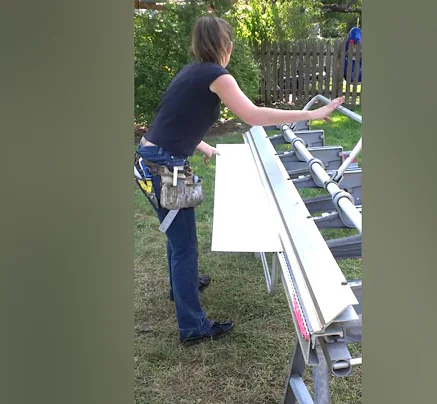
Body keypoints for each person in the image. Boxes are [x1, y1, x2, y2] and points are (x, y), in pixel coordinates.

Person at [137, 15, 344, 345]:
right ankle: (193, 327)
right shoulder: (218, 75)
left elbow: (174, 118)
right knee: (185, 244)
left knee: (177, 237)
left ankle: (182, 289)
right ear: (226, 46)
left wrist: (202, 145)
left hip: (153, 158)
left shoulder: (190, 71)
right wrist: (311, 114)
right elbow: (253, 115)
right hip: (164, 167)